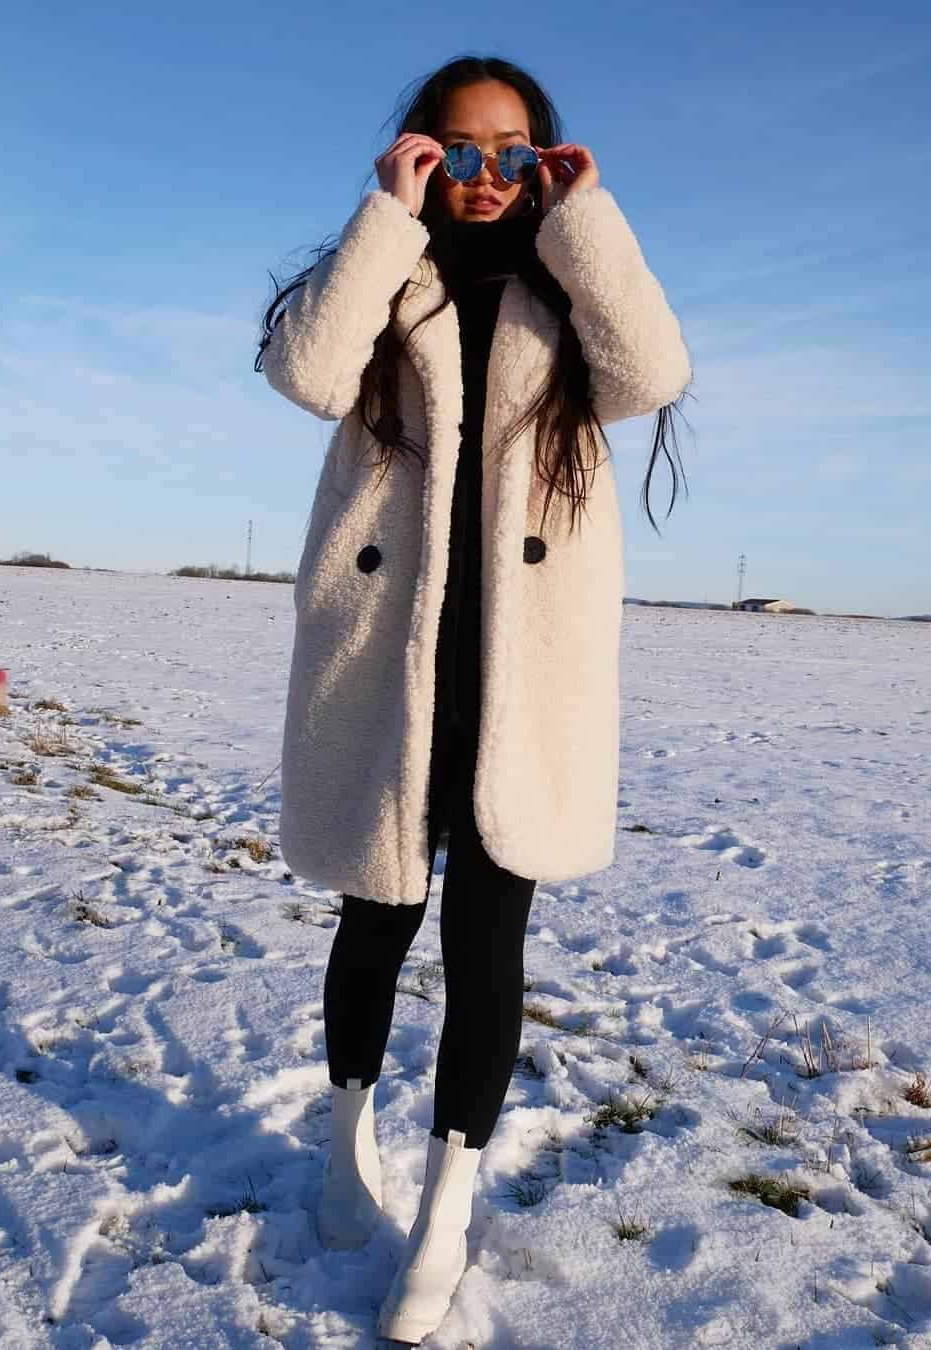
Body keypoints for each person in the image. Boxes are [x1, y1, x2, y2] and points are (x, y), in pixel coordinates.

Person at [256, 54, 692, 1346]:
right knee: (373, 919)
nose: (487, 174)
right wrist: (385, 215)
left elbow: (655, 368)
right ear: (420, 156)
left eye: (516, 151)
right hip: (388, 667)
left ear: (547, 162)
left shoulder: (575, 301)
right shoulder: (383, 282)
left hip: (523, 681)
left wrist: (589, 220)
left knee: (487, 944)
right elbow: (307, 373)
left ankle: (446, 1213)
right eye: (459, 150)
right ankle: (345, 1153)